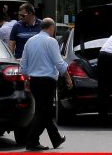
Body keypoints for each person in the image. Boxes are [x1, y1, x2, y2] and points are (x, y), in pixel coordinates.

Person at [20, 17, 72, 151]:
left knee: (44, 111)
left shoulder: (30, 41)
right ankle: (31, 140)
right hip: (47, 81)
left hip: (34, 81)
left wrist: (26, 79)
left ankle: (56, 138)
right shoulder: (51, 41)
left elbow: (23, 65)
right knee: (43, 112)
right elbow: (59, 63)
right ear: (52, 28)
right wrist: (67, 77)